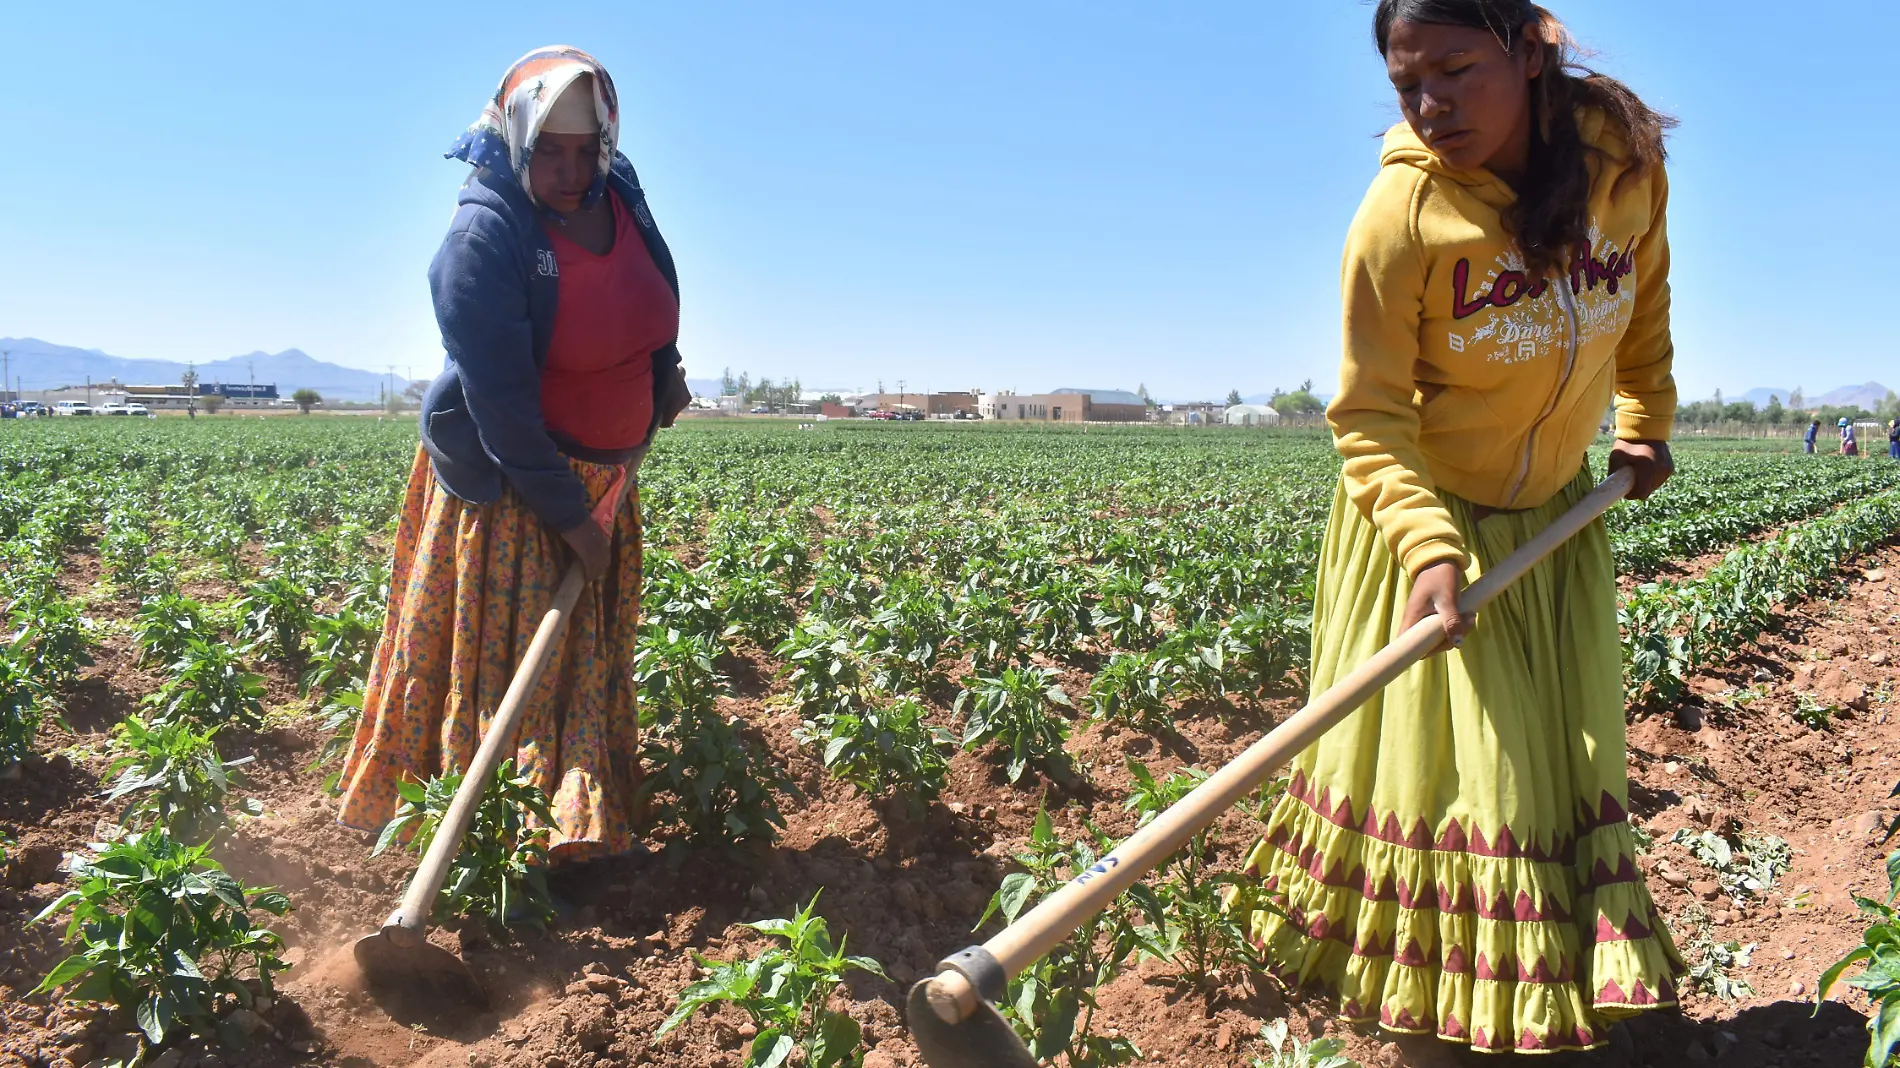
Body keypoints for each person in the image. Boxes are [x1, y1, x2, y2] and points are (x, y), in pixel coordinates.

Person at [1233, 2, 1685, 1059]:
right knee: (1468, 790)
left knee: (1551, 779)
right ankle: (1433, 1038)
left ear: (1529, 52)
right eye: (1406, 85)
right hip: (1427, 533)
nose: (1430, 104)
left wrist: (1645, 426)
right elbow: (1368, 416)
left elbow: (1646, 304)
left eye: (1454, 70)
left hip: (1553, 529)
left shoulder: (1624, 169)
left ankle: (1536, 1014)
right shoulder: (1398, 219)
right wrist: (1429, 549)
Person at [336, 46, 691, 865]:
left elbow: (649, 292)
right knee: (511, 673)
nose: (571, 172)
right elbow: (500, 407)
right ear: (516, 138)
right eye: (549, 152)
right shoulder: (481, 238)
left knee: (579, 665)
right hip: (515, 485)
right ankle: (499, 845)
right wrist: (568, 516)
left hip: (605, 476)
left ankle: (576, 828)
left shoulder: (620, 190)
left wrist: (661, 372)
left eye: (585, 150)